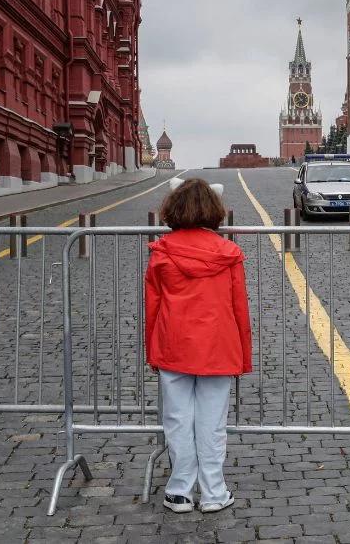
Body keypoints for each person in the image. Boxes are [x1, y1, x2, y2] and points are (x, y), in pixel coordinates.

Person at [145, 178, 251, 514]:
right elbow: (239, 309)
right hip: (218, 346)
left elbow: (152, 306)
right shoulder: (229, 254)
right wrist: (243, 356)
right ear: (214, 210)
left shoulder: (162, 253)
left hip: (173, 345)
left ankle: (179, 490)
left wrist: (153, 351)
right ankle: (214, 492)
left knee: (177, 419)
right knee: (211, 422)